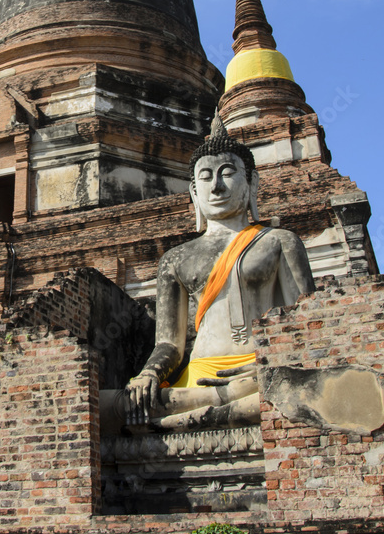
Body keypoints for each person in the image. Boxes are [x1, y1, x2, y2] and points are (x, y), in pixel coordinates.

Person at [125, 112, 315, 432]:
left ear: (252, 182)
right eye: (205, 177)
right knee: (116, 407)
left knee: (289, 391)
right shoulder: (176, 258)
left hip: (260, 372)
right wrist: (150, 375)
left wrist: (274, 366)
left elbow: (306, 324)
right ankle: (226, 403)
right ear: (194, 192)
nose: (216, 186)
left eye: (227, 173)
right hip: (198, 376)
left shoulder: (280, 242)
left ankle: (235, 401)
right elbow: (171, 344)